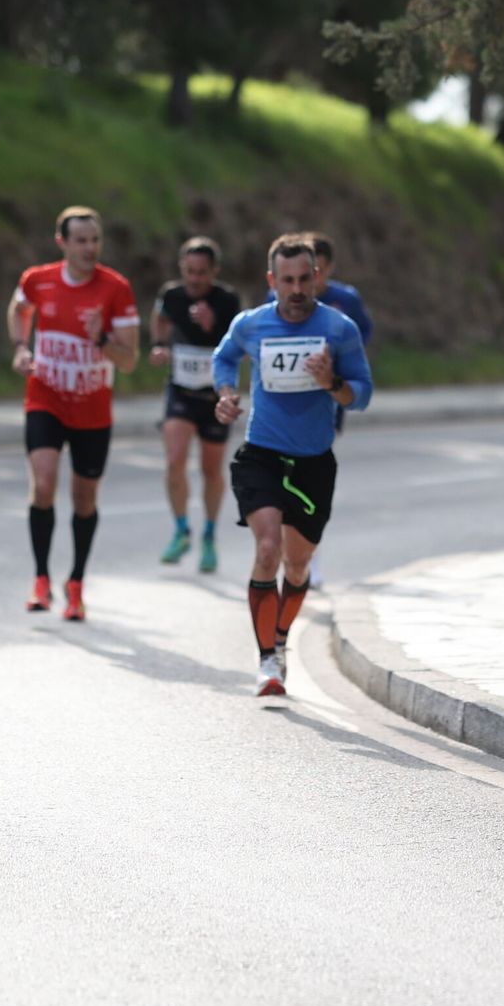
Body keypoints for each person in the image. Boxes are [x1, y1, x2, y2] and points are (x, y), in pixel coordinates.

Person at [213, 234, 373, 696]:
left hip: (314, 462)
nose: (298, 289)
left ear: (317, 276)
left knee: (297, 566)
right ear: (272, 280)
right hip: (261, 453)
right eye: (288, 281)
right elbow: (224, 358)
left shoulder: (339, 329)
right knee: (267, 549)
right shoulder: (251, 324)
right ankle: (267, 661)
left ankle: (280, 640)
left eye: (305, 279)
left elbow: (361, 394)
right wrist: (226, 394)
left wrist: (331, 382)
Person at [7, 205, 138, 621]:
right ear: (62, 242)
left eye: (95, 240)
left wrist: (101, 338)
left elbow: (129, 360)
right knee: (43, 485)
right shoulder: (38, 280)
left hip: (92, 410)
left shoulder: (115, 288)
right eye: (80, 240)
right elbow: (19, 309)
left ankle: (76, 582)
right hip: (45, 398)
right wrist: (21, 347)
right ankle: (41, 579)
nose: (89, 248)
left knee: (84, 499)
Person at [265, 231, 374, 589]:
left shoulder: (345, 302)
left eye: (319, 271)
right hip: (281, 406)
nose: (314, 279)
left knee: (308, 484)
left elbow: (361, 338)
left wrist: (336, 371)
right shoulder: (280, 298)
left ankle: (308, 559)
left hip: (326, 401)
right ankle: (287, 555)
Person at [150, 236, 241, 572]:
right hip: (181, 392)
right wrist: (160, 345)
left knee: (210, 471)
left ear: (214, 271)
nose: (195, 279)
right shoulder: (172, 295)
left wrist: (212, 325)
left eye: (202, 272)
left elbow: (238, 343)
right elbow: (159, 317)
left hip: (215, 398)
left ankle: (209, 535)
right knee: (174, 461)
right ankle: (181, 529)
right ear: (181, 268)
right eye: (189, 271)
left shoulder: (228, 299)